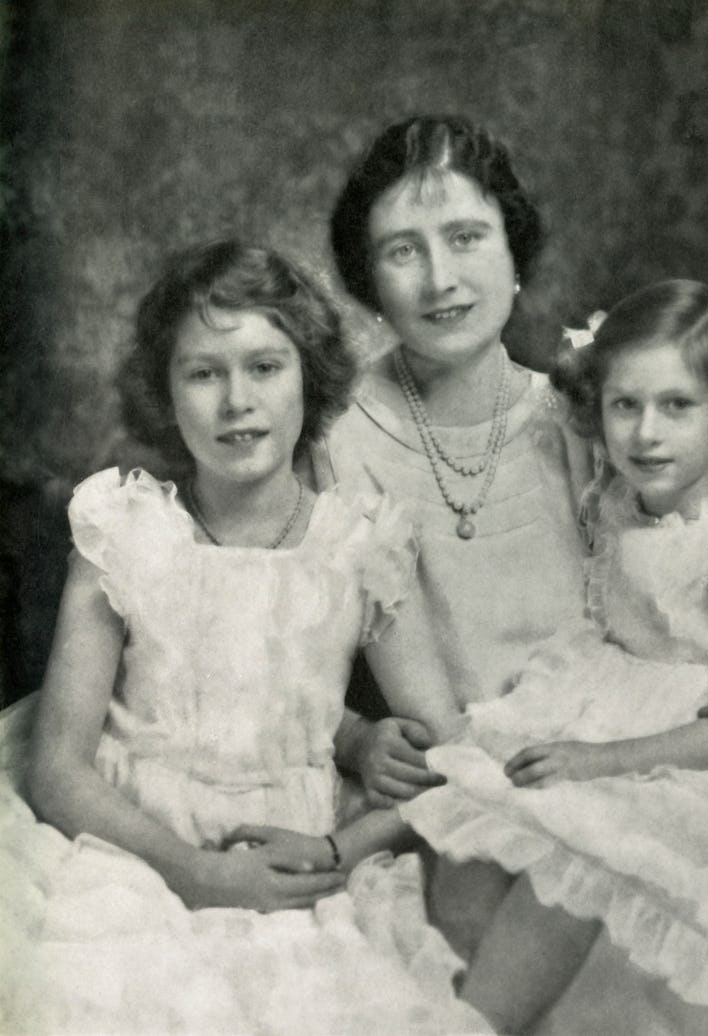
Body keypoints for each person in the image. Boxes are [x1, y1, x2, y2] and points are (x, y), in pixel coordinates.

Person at [317, 113, 708, 954]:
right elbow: (269, 631)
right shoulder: (338, 441)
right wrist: (357, 738)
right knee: (501, 929)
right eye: (403, 250)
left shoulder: (593, 416)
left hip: (637, 765)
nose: (441, 277)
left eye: (467, 236)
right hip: (479, 778)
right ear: (369, 280)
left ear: (515, 257)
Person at [0, 241, 490, 1035]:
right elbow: (57, 768)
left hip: (304, 852)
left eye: (265, 367)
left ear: (310, 378)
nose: (238, 401)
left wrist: (340, 846)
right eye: (204, 373)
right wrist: (196, 874)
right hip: (127, 848)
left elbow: (452, 757)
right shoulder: (123, 532)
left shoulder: (361, 544)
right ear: (165, 392)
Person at [399, 279, 708, 1036]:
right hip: (605, 703)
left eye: (677, 407)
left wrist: (599, 761)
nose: (646, 435)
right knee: (467, 850)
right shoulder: (614, 501)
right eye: (625, 406)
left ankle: (474, 1023)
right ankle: (475, 1011)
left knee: (573, 868)